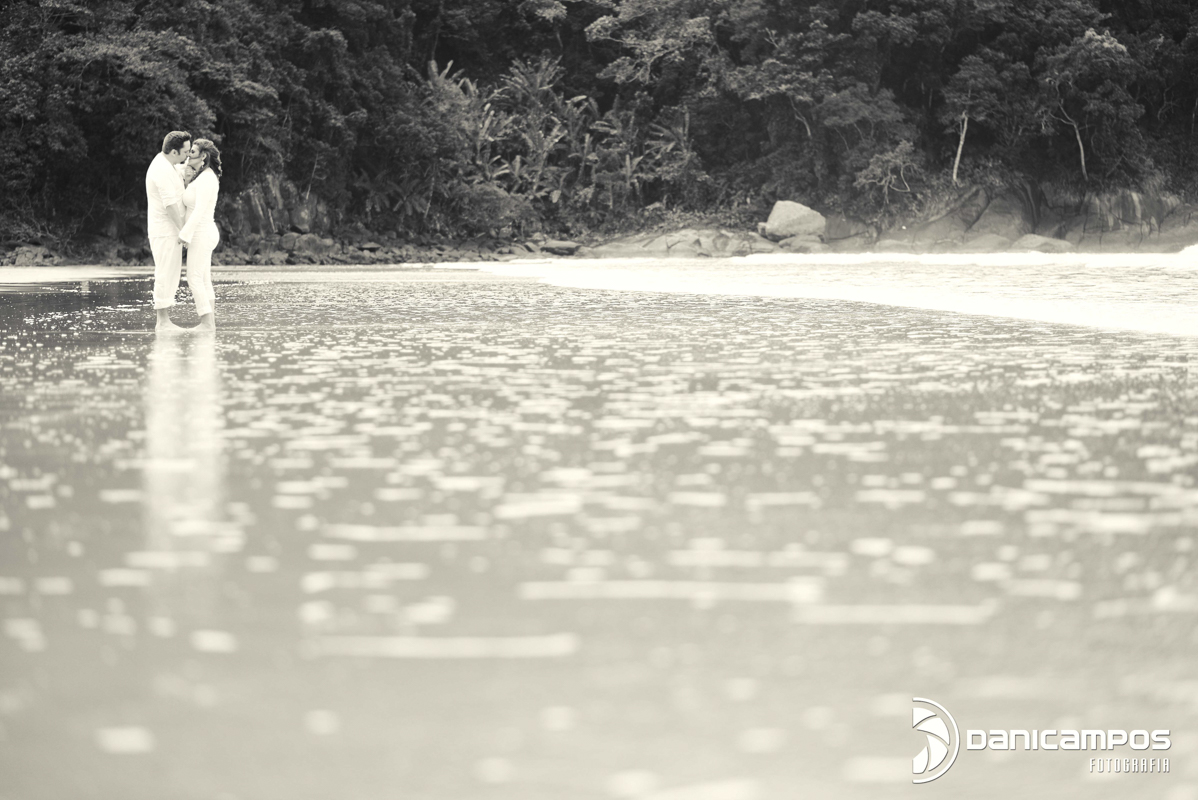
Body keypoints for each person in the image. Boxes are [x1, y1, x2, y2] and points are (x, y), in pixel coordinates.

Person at [146, 130, 191, 332]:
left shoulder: (168, 164)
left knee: (171, 273)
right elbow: (170, 205)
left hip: (169, 230)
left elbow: (182, 169)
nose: (188, 156)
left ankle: (164, 321)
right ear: (174, 152)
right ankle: (162, 322)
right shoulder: (161, 170)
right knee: (165, 272)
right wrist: (184, 231)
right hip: (165, 230)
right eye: (186, 152)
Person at [178, 139, 223, 331]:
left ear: (203, 156)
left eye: (193, 152)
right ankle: (210, 323)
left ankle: (206, 323)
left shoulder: (207, 179)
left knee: (194, 278)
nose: (188, 155)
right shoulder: (202, 176)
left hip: (202, 233)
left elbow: (199, 211)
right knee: (203, 279)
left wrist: (184, 235)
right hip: (202, 233)